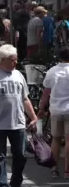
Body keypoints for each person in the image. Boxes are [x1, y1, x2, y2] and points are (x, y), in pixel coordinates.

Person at [0, 44, 38, 187]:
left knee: (21, 155)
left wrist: (33, 116)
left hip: (18, 123)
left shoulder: (18, 75)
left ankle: (16, 182)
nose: (16, 62)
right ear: (3, 60)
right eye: (13, 59)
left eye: (16, 59)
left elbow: (25, 98)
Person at [38, 46, 69, 178]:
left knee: (55, 140)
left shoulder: (52, 71)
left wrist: (41, 108)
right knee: (68, 140)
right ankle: (67, 170)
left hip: (55, 110)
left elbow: (46, 93)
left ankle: (54, 169)